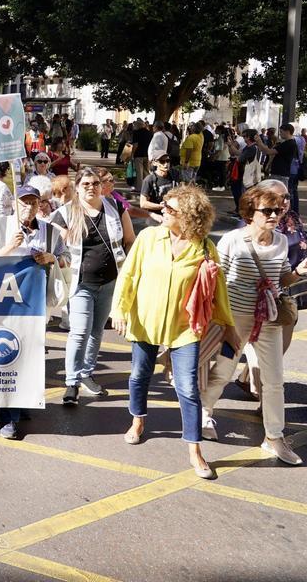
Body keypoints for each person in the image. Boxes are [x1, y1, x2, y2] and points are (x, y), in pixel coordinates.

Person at [110, 185, 233, 479]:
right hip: (145, 320)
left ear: (188, 216)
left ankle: (194, 449)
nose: (162, 210)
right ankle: (138, 420)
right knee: (139, 375)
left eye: (170, 208)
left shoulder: (204, 247)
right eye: (164, 205)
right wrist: (119, 309)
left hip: (184, 328)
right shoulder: (149, 237)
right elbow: (129, 275)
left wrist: (228, 326)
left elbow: (218, 289)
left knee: (187, 387)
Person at [200, 186, 307, 465]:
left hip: (268, 320)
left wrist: (299, 271)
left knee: (275, 381)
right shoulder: (232, 240)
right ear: (249, 212)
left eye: (278, 210)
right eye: (267, 211)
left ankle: (274, 437)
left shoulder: (280, 241)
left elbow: (281, 278)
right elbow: (218, 282)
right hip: (236, 320)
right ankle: (204, 415)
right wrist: (225, 324)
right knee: (223, 371)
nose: (274, 216)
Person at [50, 168, 134, 405]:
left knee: (97, 331)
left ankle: (86, 373)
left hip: (110, 282)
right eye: (85, 184)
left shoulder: (115, 207)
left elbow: (130, 240)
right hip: (81, 284)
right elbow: (54, 246)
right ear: (77, 188)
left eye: (95, 183)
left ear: (101, 186)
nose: (91, 187)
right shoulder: (65, 213)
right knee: (79, 332)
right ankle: (71, 383)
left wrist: (129, 270)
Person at [0, 185, 65, 438]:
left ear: (39, 205)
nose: (28, 207)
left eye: (33, 203)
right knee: (6, 354)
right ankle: (7, 417)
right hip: (5, 303)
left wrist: (51, 258)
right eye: (23, 202)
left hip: (35, 304)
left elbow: (65, 260)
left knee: (30, 354)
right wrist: (9, 247)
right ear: (14, 204)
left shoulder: (50, 231)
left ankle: (22, 401)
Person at [138, 153, 178, 224]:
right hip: (156, 218)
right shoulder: (149, 180)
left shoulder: (174, 176)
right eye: (162, 161)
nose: (166, 164)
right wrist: (161, 206)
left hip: (172, 216)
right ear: (155, 163)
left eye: (168, 161)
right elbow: (143, 203)